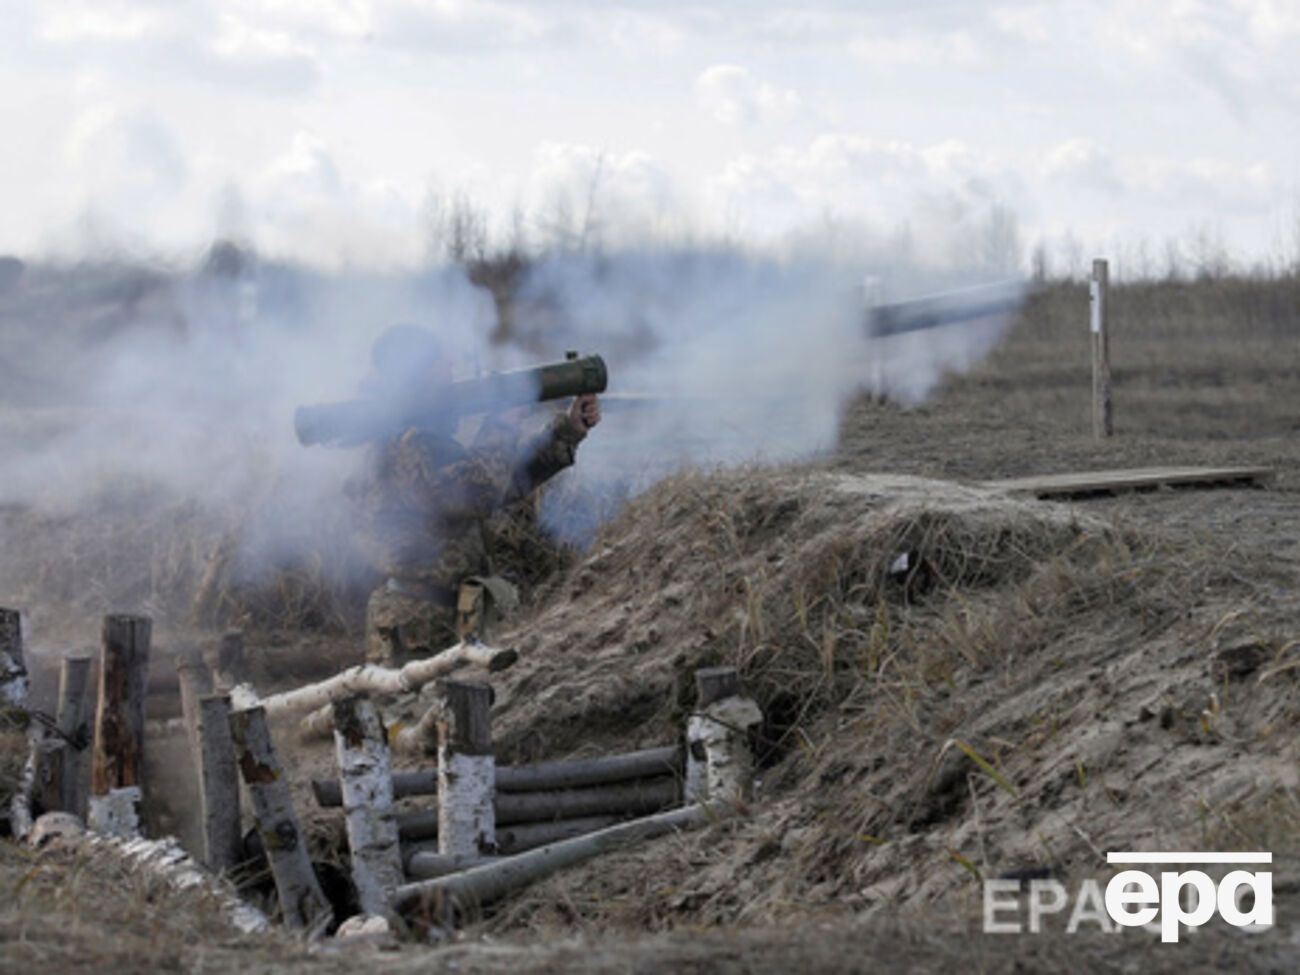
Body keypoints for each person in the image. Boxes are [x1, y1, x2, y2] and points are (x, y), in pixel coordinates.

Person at [350, 324, 601, 664]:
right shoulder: (410, 443)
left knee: (454, 714)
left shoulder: (419, 438)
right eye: (442, 366)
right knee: (413, 716)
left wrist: (566, 432)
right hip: (418, 623)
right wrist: (502, 424)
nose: (452, 372)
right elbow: (478, 492)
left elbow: (498, 485)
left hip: (437, 615)